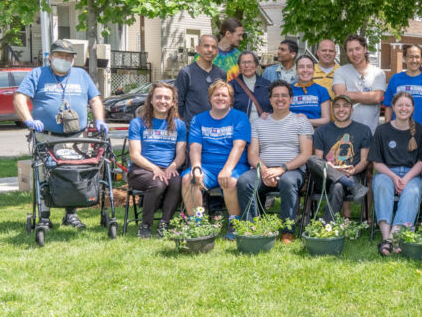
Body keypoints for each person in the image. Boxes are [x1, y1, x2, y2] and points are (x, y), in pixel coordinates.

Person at [15, 39, 108, 230]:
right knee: (45, 175)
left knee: (73, 174)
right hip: (47, 136)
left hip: (77, 136)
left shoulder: (81, 75)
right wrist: (28, 119)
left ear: (73, 59)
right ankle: (44, 216)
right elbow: (19, 97)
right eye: (60, 56)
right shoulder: (38, 74)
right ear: (51, 57)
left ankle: (70, 215)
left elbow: (96, 99)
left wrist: (100, 119)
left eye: (68, 56)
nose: (65, 59)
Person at [236, 80, 313, 243]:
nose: (280, 99)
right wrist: (264, 170)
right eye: (276, 96)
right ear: (270, 100)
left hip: (292, 170)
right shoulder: (258, 123)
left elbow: (306, 154)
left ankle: (287, 230)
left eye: (284, 95)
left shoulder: (301, 122)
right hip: (263, 170)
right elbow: (253, 154)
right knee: (244, 181)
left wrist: (281, 169)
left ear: (291, 99)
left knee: (288, 181)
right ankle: (251, 228)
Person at [181, 80, 251, 240]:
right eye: (216, 95)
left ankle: (235, 223)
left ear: (231, 99)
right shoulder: (198, 120)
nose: (220, 98)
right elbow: (195, 146)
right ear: (210, 98)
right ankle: (196, 225)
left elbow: (239, 147)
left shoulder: (240, 117)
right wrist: (196, 167)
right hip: (207, 165)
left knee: (231, 181)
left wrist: (227, 169)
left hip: (234, 165)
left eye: (224, 95)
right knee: (188, 179)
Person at [370, 92, 422, 256]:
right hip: (387, 173)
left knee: (412, 192)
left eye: (407, 105)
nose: (404, 108)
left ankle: (391, 239)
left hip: (412, 174)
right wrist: (395, 177)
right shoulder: (382, 130)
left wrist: (406, 178)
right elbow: (377, 163)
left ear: (413, 108)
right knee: (381, 186)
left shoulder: (420, 131)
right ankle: (387, 236)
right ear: (393, 107)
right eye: (400, 105)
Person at [127, 82, 187, 238]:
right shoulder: (137, 123)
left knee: (176, 182)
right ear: (151, 100)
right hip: (142, 170)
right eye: (158, 97)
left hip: (169, 168)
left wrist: (172, 167)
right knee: (158, 183)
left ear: (173, 102)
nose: (163, 101)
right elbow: (134, 154)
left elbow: (181, 153)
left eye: (167, 98)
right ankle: (145, 225)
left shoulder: (179, 125)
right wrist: (155, 169)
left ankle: (164, 224)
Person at [306, 94, 372, 221]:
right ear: (332, 110)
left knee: (338, 186)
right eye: (337, 106)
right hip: (325, 177)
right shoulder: (321, 131)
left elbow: (365, 160)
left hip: (351, 174)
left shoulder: (363, 130)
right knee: (311, 159)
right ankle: (353, 186)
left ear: (351, 110)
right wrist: (330, 168)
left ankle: (328, 227)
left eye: (345, 106)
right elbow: (318, 159)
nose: (341, 109)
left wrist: (354, 170)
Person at [332, 34, 387, 132]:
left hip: (371, 132)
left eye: (357, 49)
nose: (354, 53)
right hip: (345, 132)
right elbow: (341, 98)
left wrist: (350, 94)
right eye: (350, 50)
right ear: (347, 53)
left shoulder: (378, 73)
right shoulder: (340, 72)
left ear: (365, 49)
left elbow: (377, 98)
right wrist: (368, 96)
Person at [383, 45, 422, 127]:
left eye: (417, 57)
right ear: (405, 59)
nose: (414, 60)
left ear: (421, 59)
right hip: (398, 130)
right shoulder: (395, 79)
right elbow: (388, 106)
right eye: (410, 57)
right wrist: (387, 128)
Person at [176, 34, 227, 127]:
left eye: (214, 47)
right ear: (198, 48)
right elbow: (177, 103)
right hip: (193, 129)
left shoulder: (222, 74)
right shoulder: (186, 73)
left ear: (217, 51)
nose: (210, 50)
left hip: (216, 129)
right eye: (206, 46)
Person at [291, 55, 332, 128]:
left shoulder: (322, 91)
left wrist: (305, 121)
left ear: (314, 70)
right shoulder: (288, 90)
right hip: (290, 133)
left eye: (309, 67)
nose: (305, 70)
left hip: (314, 133)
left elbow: (326, 119)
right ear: (296, 70)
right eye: (301, 67)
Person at [231, 51, 271, 121]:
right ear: (239, 66)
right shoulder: (232, 85)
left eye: (250, 62)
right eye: (243, 62)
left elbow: (273, 107)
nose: (246, 65)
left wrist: (270, 115)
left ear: (256, 65)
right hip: (241, 127)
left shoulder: (267, 84)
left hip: (264, 127)